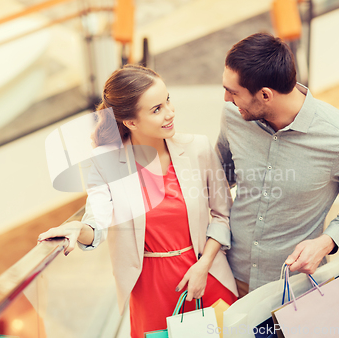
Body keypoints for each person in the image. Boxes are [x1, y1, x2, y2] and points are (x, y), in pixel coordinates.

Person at [38, 64, 238, 337]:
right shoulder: (103, 165)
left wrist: (203, 266)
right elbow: (97, 222)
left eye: (167, 100)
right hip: (151, 291)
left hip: (206, 276)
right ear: (131, 122)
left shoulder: (198, 148)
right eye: (156, 109)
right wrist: (77, 229)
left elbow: (222, 215)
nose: (170, 113)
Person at [216, 33, 339, 298]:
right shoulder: (234, 117)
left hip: (294, 291)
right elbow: (221, 176)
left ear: (265, 95)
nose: (226, 99)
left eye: (232, 92)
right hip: (229, 276)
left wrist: (328, 242)